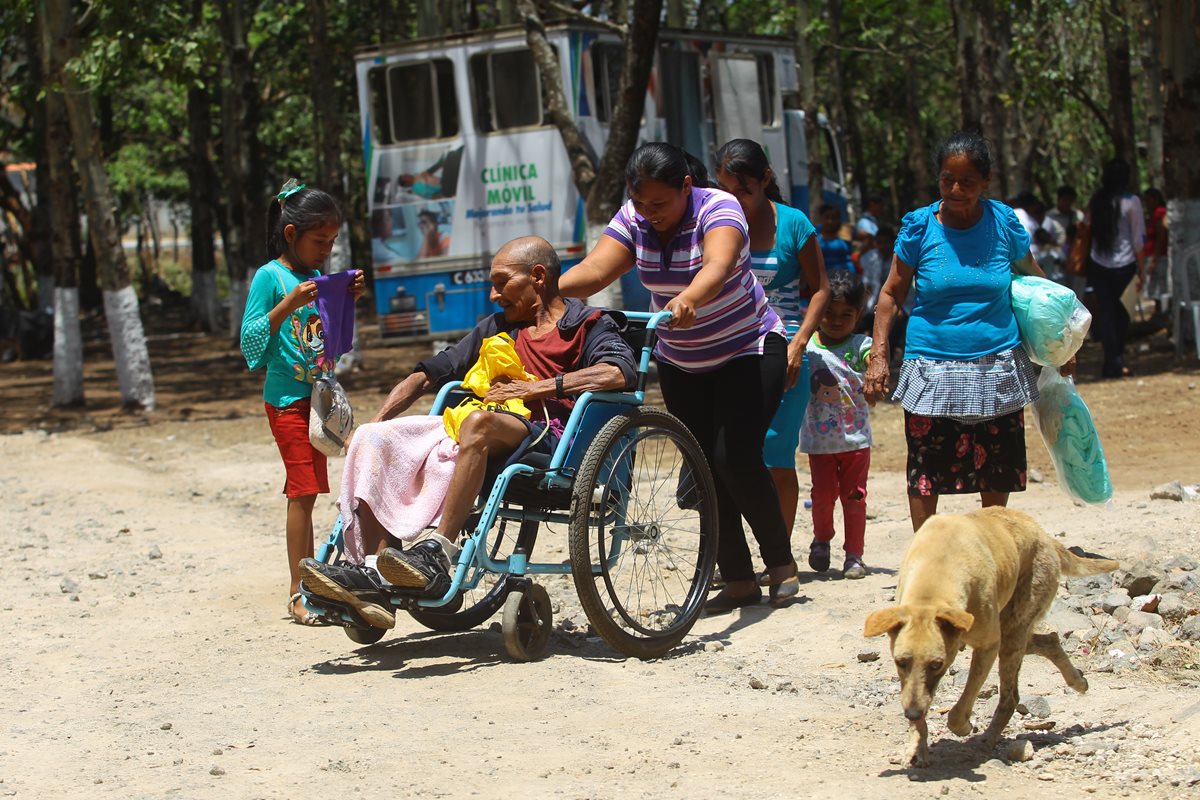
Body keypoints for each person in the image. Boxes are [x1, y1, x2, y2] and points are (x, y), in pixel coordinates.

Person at [297, 236, 637, 628]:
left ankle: (439, 551)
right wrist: (376, 420)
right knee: (376, 438)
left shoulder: (588, 325)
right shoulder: (500, 327)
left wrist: (537, 387)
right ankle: (374, 570)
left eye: (501, 283)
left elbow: (618, 372)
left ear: (538, 277)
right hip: (492, 426)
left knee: (477, 422)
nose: (493, 296)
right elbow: (428, 374)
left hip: (553, 437)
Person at [557, 142, 800, 612]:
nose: (650, 214)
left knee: (735, 457)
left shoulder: (719, 206)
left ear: (686, 187)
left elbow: (719, 265)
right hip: (681, 359)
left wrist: (690, 298)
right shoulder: (633, 218)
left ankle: (780, 563)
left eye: (659, 204)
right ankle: (737, 580)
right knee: (704, 465)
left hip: (748, 348)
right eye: (641, 203)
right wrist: (544, 289)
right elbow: (595, 270)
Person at [862, 131, 1069, 534]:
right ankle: (926, 556)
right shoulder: (920, 227)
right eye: (946, 180)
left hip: (998, 368)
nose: (955, 190)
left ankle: (993, 553)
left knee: (998, 468)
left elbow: (1037, 282)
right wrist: (879, 355)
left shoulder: (1004, 223)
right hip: (931, 366)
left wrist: (1063, 334)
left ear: (986, 181)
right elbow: (890, 293)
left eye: (967, 182)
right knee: (925, 469)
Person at [239, 181, 365, 625]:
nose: (326, 251)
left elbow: (331, 340)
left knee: (313, 488)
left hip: (319, 399)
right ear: (291, 234)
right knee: (303, 492)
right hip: (287, 399)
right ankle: (299, 592)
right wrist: (287, 302)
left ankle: (317, 581)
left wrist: (347, 300)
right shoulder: (270, 277)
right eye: (319, 242)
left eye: (331, 243)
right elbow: (250, 341)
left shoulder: (315, 278)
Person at [713, 138, 830, 552]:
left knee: (776, 455)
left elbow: (820, 290)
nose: (734, 199)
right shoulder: (716, 225)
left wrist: (799, 342)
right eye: (725, 190)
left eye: (743, 190)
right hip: (728, 347)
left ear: (765, 179)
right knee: (729, 457)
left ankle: (776, 553)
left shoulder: (795, 223)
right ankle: (732, 555)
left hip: (785, 350)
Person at [800, 271, 873, 579]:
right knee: (822, 495)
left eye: (846, 315)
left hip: (856, 442)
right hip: (819, 442)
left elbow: (874, 358)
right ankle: (822, 540)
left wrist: (876, 369)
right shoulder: (808, 347)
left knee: (854, 497)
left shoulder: (860, 345)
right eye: (828, 313)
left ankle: (854, 555)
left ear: (857, 317)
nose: (836, 320)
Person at [1085, 159, 1145, 379]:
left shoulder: (1096, 201)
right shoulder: (1132, 202)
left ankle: (1112, 360)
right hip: (1125, 265)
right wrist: (1142, 268)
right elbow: (1138, 239)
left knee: (1107, 315)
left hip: (1098, 264)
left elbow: (1086, 227)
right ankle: (1116, 359)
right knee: (1122, 315)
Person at [1142, 187, 1169, 305]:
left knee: (1161, 287)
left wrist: (1154, 258)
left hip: (1159, 256)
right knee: (1155, 288)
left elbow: (1160, 236)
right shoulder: (1153, 215)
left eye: (1149, 200)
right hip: (1152, 255)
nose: (1147, 204)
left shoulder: (1160, 213)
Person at [817, 203, 854, 274]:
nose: (830, 221)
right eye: (827, 217)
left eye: (833, 218)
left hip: (847, 278)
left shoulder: (845, 235)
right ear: (821, 218)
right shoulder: (814, 237)